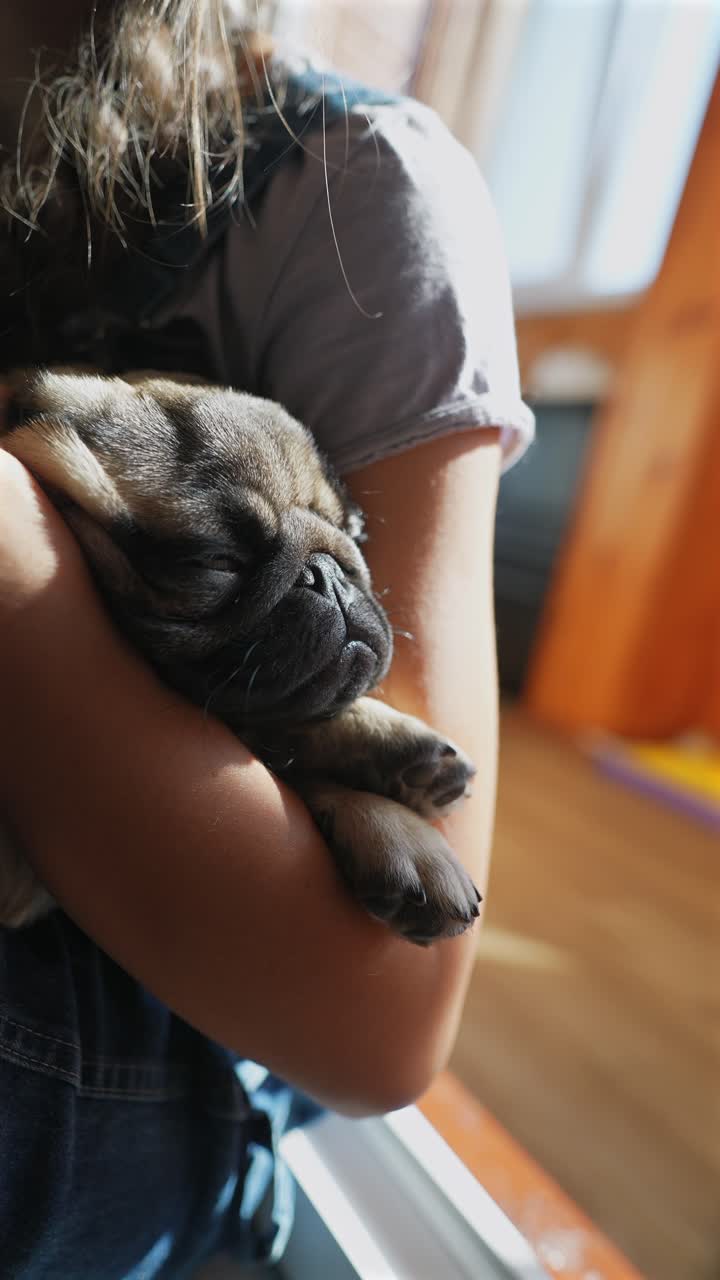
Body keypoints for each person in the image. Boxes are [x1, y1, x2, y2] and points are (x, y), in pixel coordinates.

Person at [0, 1, 534, 1275]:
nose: (338, 599)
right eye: (226, 554)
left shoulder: (357, 194)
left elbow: (384, 1024)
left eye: (344, 543)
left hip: (176, 1044)